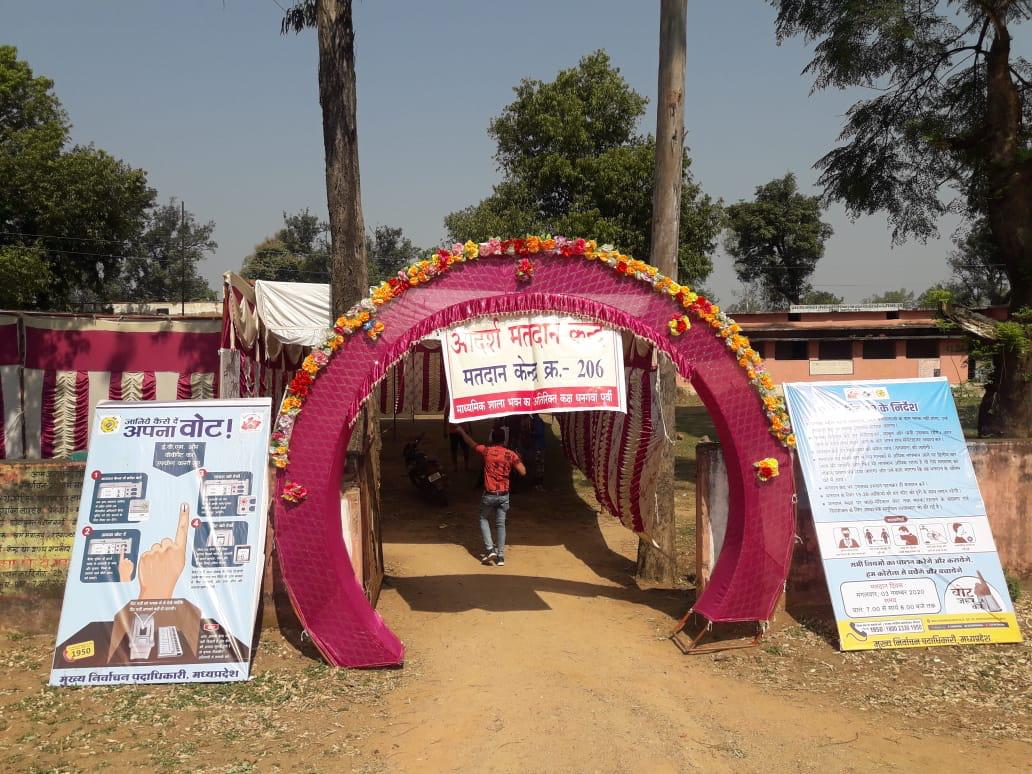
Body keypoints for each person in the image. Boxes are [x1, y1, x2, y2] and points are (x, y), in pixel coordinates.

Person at [454, 423, 526, 566]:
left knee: (483, 518)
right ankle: (500, 556)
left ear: (492, 438)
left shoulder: (487, 452)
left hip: (489, 494)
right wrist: (519, 458)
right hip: (504, 495)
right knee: (501, 525)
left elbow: (471, 443)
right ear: (504, 440)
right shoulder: (510, 455)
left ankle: (489, 549)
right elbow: (523, 472)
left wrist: (462, 431)